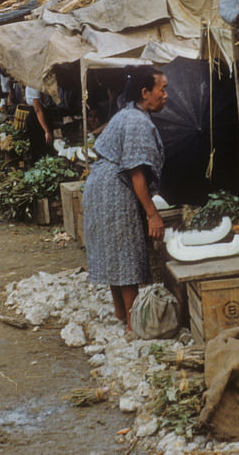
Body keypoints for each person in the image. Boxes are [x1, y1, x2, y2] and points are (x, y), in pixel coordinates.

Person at [82, 66, 168, 331]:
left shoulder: (129, 114)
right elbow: (136, 172)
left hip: (101, 185)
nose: (166, 95)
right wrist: (153, 215)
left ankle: (121, 313)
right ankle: (132, 323)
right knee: (126, 254)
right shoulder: (136, 121)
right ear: (145, 92)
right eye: (162, 89)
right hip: (113, 189)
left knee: (114, 252)